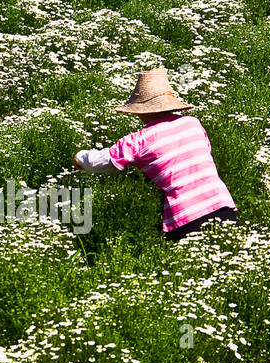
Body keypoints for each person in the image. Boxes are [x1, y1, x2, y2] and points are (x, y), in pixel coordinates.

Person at [73, 68, 236, 241]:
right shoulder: (193, 123)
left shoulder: (138, 141)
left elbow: (102, 161)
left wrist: (79, 158)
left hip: (185, 216)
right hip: (222, 204)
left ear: (142, 110)